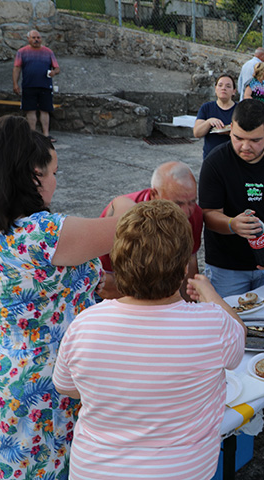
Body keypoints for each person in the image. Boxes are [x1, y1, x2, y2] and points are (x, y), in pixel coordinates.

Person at [52, 201, 245, 480]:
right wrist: (209, 292)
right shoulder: (214, 325)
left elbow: (68, 389)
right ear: (183, 269)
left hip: (95, 470)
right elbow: (238, 333)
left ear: (117, 261)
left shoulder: (84, 324)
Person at [0, 116, 121, 479]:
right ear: (34, 176)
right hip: (52, 383)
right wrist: (122, 201)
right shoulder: (44, 234)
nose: (55, 181)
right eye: (53, 173)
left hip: (8, 373)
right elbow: (131, 226)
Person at [199, 99, 264, 297]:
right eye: (238, 138)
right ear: (230, 129)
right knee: (226, 323)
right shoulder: (215, 163)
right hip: (225, 267)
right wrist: (231, 224)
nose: (245, 146)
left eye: (255, 140)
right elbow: (208, 214)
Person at [97, 161, 203, 299]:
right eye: (178, 204)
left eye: (192, 202)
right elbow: (104, 281)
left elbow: (190, 261)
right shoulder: (124, 218)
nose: (186, 212)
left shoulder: (195, 214)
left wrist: (189, 307)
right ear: (154, 194)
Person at [12, 29, 60, 139]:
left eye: (38, 37)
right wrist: (15, 84)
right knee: (30, 111)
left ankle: (46, 135)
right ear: (28, 39)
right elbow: (17, 68)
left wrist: (54, 72)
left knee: (45, 110)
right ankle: (32, 135)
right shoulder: (22, 52)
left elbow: (57, 68)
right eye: (33, 38)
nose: (36, 40)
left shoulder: (48, 52)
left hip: (45, 85)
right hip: (29, 85)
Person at [194, 73, 237, 159]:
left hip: (233, 158)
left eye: (228, 86)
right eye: (220, 85)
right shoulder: (206, 107)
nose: (223, 88)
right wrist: (209, 122)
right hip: (211, 158)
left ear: (234, 91)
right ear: (215, 89)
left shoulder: (240, 109)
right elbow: (197, 133)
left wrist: (231, 132)